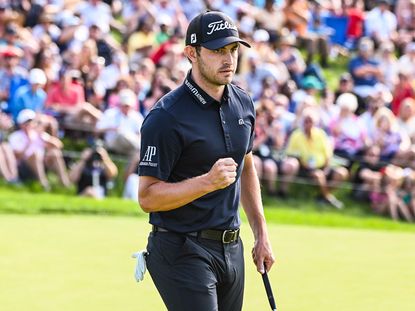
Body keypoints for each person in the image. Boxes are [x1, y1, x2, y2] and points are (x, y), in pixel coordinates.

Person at [138, 11, 275, 311]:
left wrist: (261, 233)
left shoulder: (243, 102)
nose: (228, 59)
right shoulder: (166, 117)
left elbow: (246, 167)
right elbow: (147, 197)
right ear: (192, 53)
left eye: (233, 49)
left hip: (231, 247)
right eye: (216, 51)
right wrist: (206, 183)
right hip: (180, 248)